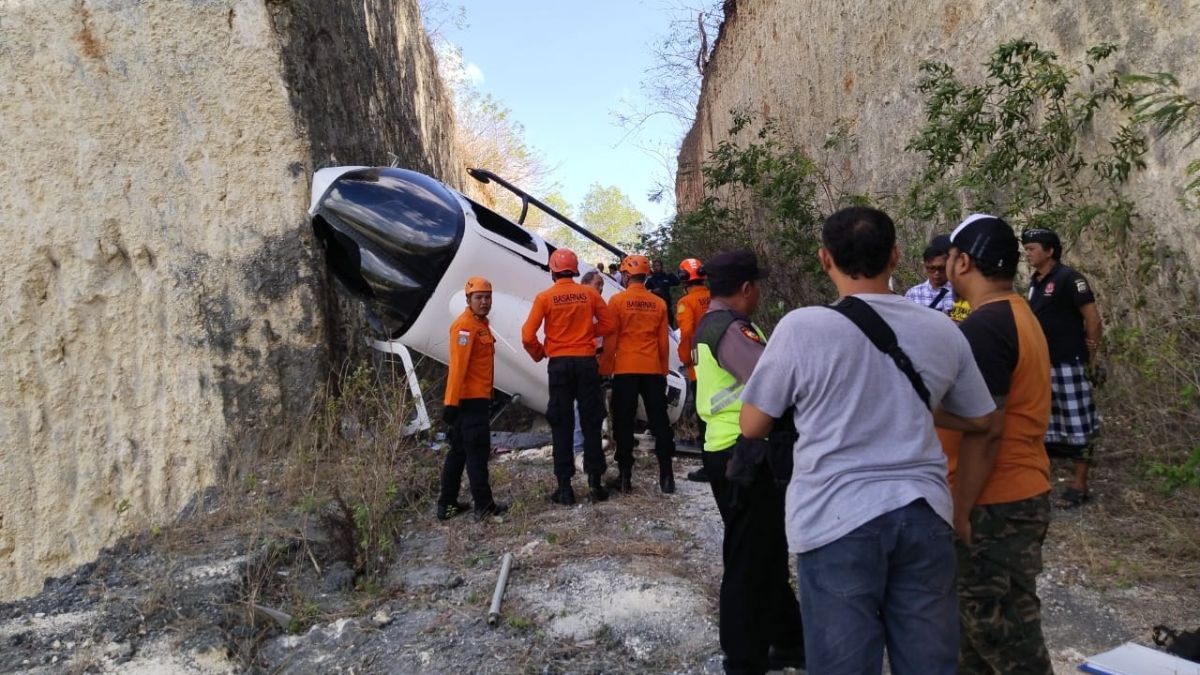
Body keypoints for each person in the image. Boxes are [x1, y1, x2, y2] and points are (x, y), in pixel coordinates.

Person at [739, 206, 996, 675]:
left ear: (824, 259)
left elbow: (753, 425)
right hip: (925, 513)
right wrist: (960, 510)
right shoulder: (943, 330)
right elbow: (982, 421)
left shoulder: (802, 328)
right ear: (896, 256)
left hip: (836, 520)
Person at [939, 214, 1053, 673]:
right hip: (1011, 493)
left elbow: (986, 429)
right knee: (974, 643)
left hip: (993, 501)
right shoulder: (1017, 312)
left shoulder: (987, 328)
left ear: (963, 261)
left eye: (949, 256)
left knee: (1001, 635)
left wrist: (961, 512)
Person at [693, 249, 805, 674]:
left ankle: (791, 641)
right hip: (743, 452)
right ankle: (742, 659)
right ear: (746, 288)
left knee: (765, 550)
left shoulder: (714, 321)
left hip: (732, 448)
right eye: (756, 284)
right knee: (748, 557)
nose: (758, 291)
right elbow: (771, 383)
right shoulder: (732, 329)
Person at [523, 248, 616, 505]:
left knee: (561, 423)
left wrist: (540, 353)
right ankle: (595, 485)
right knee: (591, 421)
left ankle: (565, 489)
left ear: (552, 270)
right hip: (586, 364)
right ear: (575, 271)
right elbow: (609, 326)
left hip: (559, 365)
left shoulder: (545, 297)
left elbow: (527, 336)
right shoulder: (589, 294)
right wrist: (587, 332)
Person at [1022, 227, 1103, 508]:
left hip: (1069, 363)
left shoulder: (1070, 279)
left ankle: (1079, 485)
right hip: (1042, 364)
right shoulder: (1035, 281)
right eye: (1026, 247)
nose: (1027, 252)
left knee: (1078, 421)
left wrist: (1091, 357)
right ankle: (1041, 482)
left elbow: (1092, 320)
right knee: (1045, 424)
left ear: (1050, 251)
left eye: (1032, 248)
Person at [598, 255, 677, 493]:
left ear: (625, 275)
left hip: (625, 369)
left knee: (623, 423)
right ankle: (667, 477)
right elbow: (663, 343)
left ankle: (625, 477)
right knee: (660, 422)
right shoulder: (659, 303)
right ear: (646, 276)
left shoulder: (617, 301)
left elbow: (610, 339)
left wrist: (604, 369)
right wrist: (663, 370)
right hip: (652, 368)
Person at [437, 276, 508, 521]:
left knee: (458, 452)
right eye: (479, 297)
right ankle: (484, 506)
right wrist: (451, 403)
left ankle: (446, 505)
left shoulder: (480, 325)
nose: (485, 302)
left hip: (477, 399)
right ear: (469, 300)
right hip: (469, 403)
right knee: (477, 453)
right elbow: (458, 367)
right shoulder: (465, 327)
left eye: (488, 297)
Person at [675, 257, 712, 481]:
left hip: (698, 366)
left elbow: (687, 333)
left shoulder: (686, 303)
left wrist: (685, 357)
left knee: (704, 417)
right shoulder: (714, 296)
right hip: (720, 362)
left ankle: (710, 466)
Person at [572, 270, 608, 461]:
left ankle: (589, 444)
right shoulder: (582, 304)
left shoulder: (596, 305)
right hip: (584, 361)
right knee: (581, 406)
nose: (601, 289)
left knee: (594, 407)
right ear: (585, 283)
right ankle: (579, 448)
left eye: (602, 285)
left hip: (597, 364)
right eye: (598, 284)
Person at [904, 234, 956, 316]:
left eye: (941, 268)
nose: (937, 273)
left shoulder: (958, 292)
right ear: (925, 267)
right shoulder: (913, 294)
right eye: (932, 268)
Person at [645, 259, 681, 328]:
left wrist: (670, 274)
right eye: (654, 266)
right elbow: (644, 291)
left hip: (667, 305)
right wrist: (653, 291)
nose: (656, 267)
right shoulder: (650, 279)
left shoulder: (667, 276)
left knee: (670, 326)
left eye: (658, 266)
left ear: (661, 266)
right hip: (655, 307)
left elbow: (677, 282)